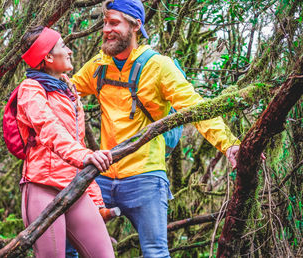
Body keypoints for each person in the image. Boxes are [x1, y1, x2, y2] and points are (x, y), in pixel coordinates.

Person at [70, 0, 241, 257]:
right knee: (68, 241)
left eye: (114, 22)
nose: (106, 29)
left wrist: (228, 143)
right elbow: (66, 92)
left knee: (155, 252)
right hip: (103, 174)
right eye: (105, 23)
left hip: (146, 177)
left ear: (136, 25)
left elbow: (195, 107)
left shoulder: (158, 66)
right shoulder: (98, 66)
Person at [17, 25, 115, 258]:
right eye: (63, 46)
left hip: (74, 188)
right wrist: (84, 157)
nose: (70, 51)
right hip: (42, 188)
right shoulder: (30, 89)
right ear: (48, 57)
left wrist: (95, 199)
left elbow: (77, 142)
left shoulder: (68, 89)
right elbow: (49, 129)